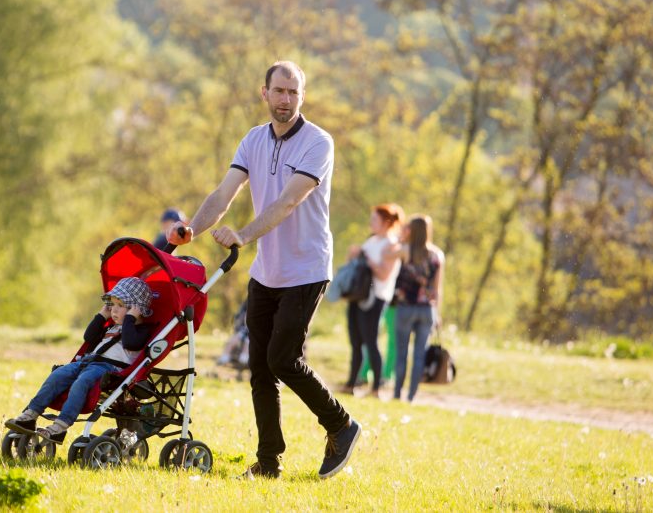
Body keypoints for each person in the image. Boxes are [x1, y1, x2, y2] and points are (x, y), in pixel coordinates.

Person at [167, 60, 360, 480]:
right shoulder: (253, 140)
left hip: (306, 270)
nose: (286, 99)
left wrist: (244, 235)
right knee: (260, 370)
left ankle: (341, 425)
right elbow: (225, 192)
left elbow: (289, 201)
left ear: (302, 96)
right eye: (280, 91)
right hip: (266, 272)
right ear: (265, 93)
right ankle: (269, 462)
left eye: (294, 92)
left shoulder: (318, 143)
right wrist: (191, 230)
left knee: (283, 359)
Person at [4, 277, 155, 443]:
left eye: (120, 305)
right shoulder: (112, 327)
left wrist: (130, 319)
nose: (114, 311)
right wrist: (101, 315)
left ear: (137, 309)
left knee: (81, 382)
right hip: (88, 362)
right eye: (112, 305)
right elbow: (89, 337)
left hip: (109, 369)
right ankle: (30, 415)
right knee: (57, 375)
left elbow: (129, 342)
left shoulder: (141, 331)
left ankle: (60, 427)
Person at [342, 203, 403, 397]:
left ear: (386, 222)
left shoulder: (392, 245)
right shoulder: (371, 242)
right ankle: (351, 383)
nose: (371, 223)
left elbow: (385, 275)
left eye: (374, 219)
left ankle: (376, 387)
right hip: (357, 296)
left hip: (376, 298)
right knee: (355, 341)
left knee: (371, 341)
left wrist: (367, 260)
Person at [393, 214, 445, 402]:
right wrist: (437, 313)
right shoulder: (437, 255)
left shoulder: (405, 250)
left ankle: (397, 393)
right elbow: (437, 288)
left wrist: (401, 237)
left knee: (401, 353)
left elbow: (387, 253)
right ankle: (411, 396)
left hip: (406, 307)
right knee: (419, 355)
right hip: (427, 310)